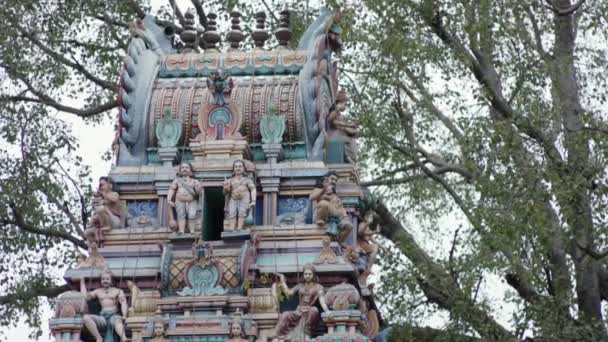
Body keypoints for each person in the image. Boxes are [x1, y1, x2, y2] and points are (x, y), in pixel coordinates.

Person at [273, 263, 330, 341]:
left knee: (314, 310)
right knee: (285, 315)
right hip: (298, 311)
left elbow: (322, 301)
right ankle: (279, 336)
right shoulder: (300, 285)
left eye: (310, 274)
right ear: (303, 275)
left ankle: (307, 334)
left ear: (313, 274)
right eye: (305, 274)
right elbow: (289, 293)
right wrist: (283, 282)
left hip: (309, 311)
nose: (307, 276)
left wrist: (327, 311)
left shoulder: (319, 287)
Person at [80, 269, 128, 342]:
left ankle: (123, 338)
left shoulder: (118, 291)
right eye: (103, 279)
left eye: (107, 279)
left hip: (114, 316)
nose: (105, 281)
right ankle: (98, 337)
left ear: (111, 280)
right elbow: (85, 297)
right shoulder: (97, 291)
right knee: (86, 318)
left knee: (117, 321)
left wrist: (124, 315)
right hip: (102, 318)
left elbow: (123, 303)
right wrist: (82, 283)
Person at [309, 171, 353, 242]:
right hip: (321, 215)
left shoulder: (334, 195)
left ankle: (339, 241)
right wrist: (324, 188)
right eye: (332, 179)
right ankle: (321, 220)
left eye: (335, 180)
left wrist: (345, 217)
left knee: (349, 226)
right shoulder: (319, 190)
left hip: (335, 216)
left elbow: (340, 207)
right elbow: (311, 198)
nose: (334, 182)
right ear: (325, 179)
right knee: (323, 203)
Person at [84, 177, 126, 245]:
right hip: (102, 223)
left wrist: (104, 194)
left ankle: (106, 227)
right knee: (86, 233)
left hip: (114, 221)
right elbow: (96, 213)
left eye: (103, 185)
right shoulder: (101, 199)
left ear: (110, 185)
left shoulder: (114, 194)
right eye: (100, 185)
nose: (101, 187)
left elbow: (114, 199)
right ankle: (95, 248)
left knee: (101, 209)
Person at [167, 162, 202, 234]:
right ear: (180, 170)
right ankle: (181, 231)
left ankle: (192, 231)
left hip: (192, 200)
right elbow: (172, 189)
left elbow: (198, 193)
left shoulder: (194, 181)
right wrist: (169, 199)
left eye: (186, 168)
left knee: (192, 215)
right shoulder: (177, 180)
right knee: (181, 215)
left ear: (190, 170)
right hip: (179, 200)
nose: (184, 169)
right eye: (182, 168)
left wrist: (198, 188)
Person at [223, 160, 256, 231]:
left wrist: (253, 200)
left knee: (242, 212)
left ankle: (239, 228)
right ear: (234, 169)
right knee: (232, 213)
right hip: (233, 198)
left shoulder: (247, 180)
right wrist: (226, 187)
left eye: (240, 166)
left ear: (244, 168)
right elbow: (226, 192)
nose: (238, 168)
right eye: (236, 167)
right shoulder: (230, 180)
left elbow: (253, 189)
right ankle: (232, 228)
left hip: (244, 197)